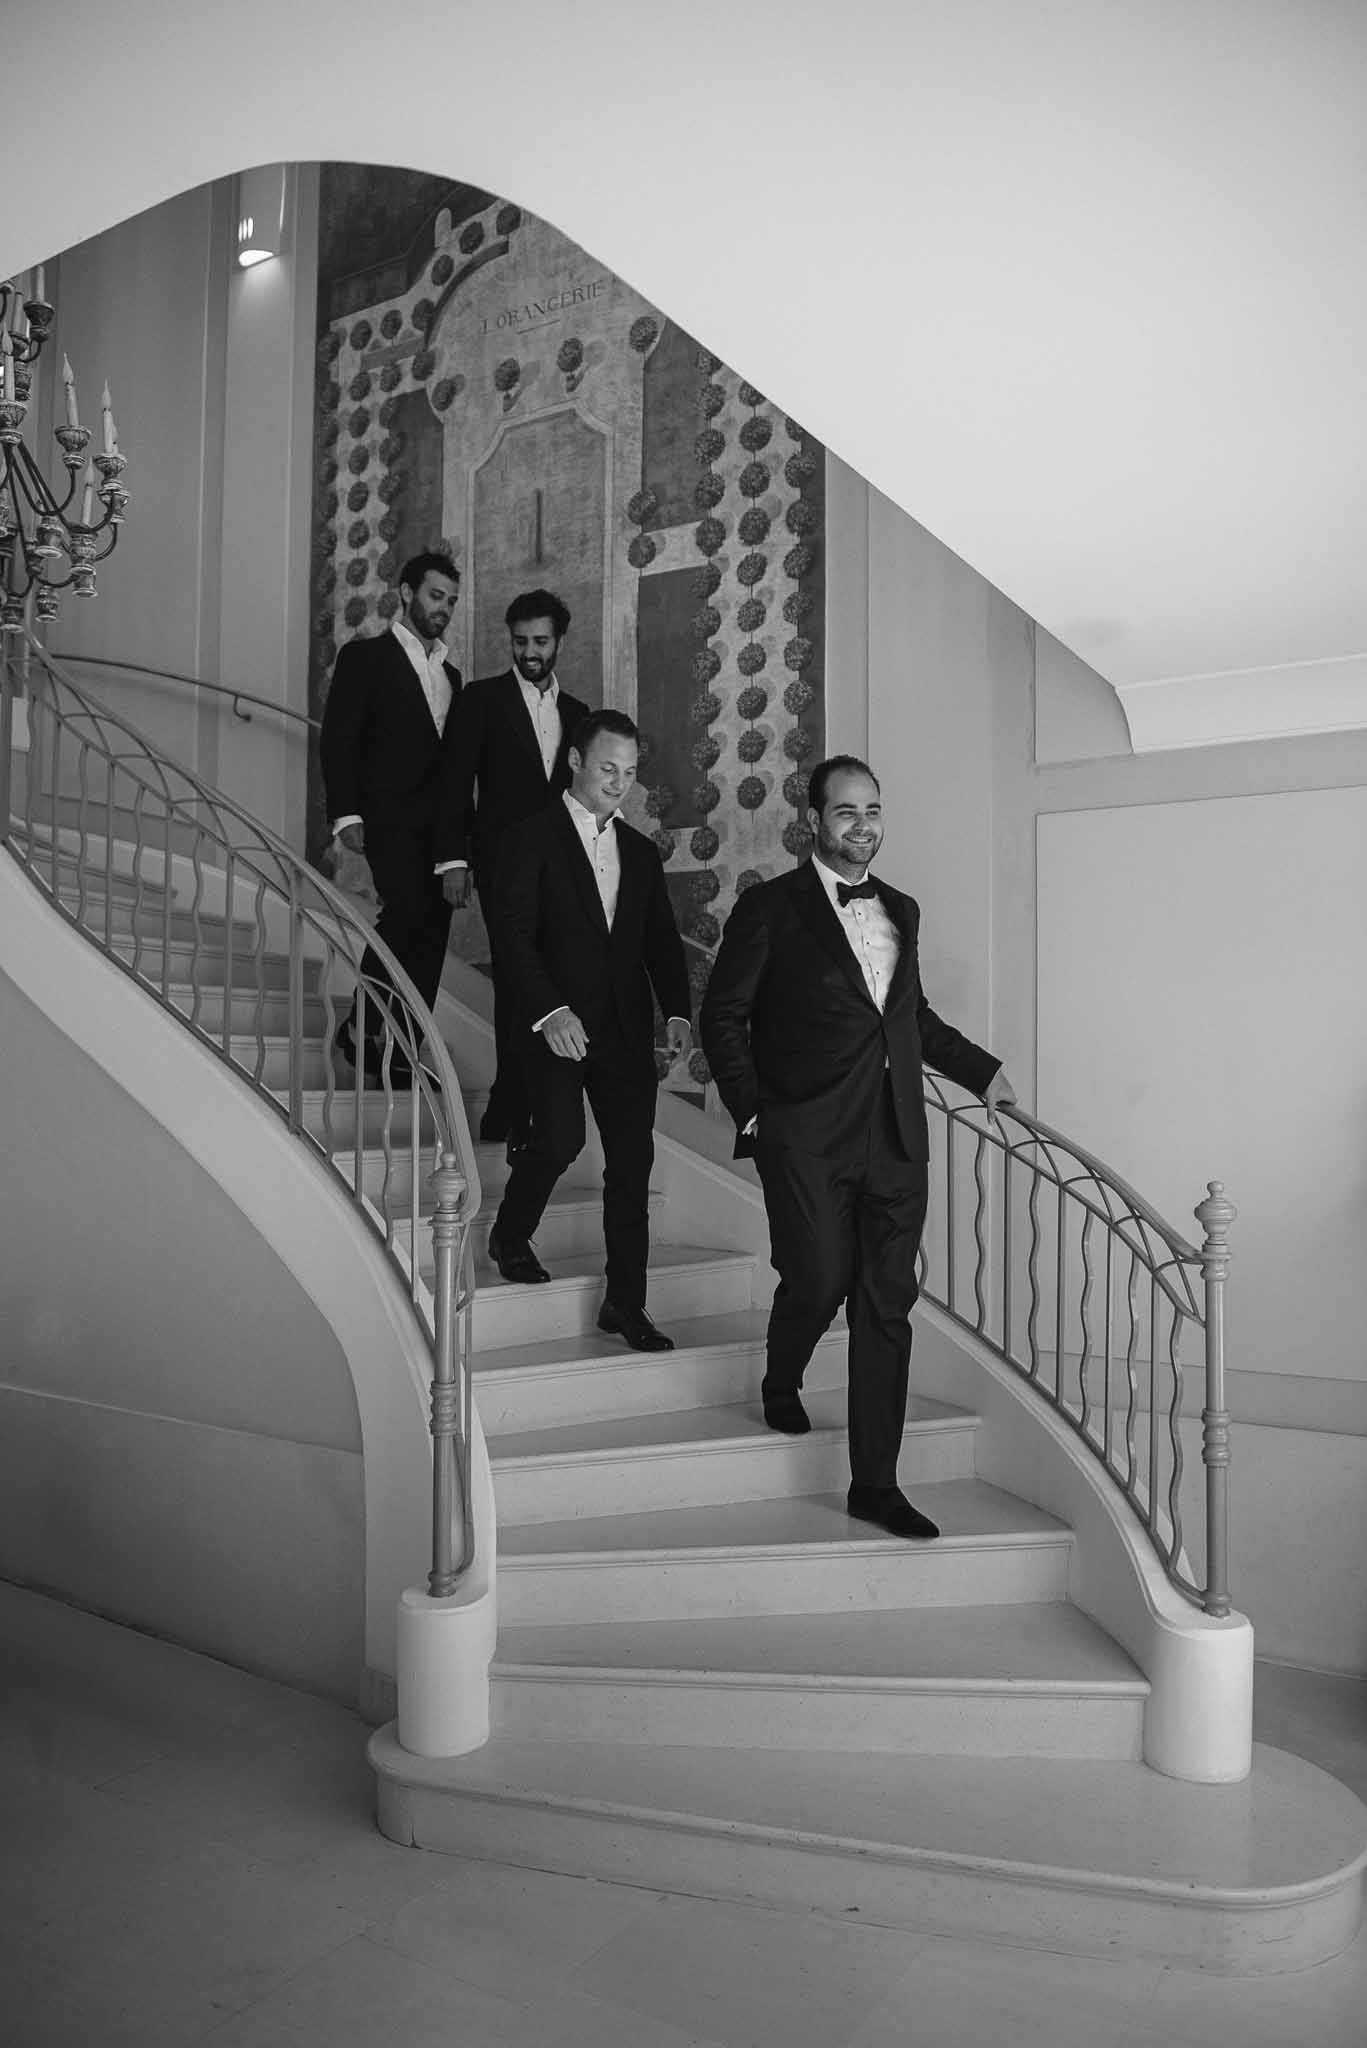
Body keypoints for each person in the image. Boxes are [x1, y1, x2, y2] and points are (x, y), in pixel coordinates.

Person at [700, 755, 1016, 1539]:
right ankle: (782, 1374)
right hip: (804, 1135)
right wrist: (755, 1113)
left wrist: (983, 1071)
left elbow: (910, 1019)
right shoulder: (770, 908)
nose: (862, 825)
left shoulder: (900, 908)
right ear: (814, 820)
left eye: (872, 809)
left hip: (896, 1137)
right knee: (815, 1279)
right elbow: (723, 1016)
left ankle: (875, 1485)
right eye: (846, 812)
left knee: (885, 1305)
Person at [487, 708, 692, 1352]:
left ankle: (625, 1303)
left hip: (626, 1031)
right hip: (555, 1026)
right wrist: (551, 1011)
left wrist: (679, 1011)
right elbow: (513, 938)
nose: (619, 782)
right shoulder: (530, 836)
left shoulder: (639, 849)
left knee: (632, 1166)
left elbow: (659, 938)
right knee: (558, 1141)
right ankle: (510, 1233)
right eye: (608, 767)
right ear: (574, 761)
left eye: (629, 772)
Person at [436, 590, 589, 1153]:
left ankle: (521, 1106)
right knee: (517, 982)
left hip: (563, 871)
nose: (530, 651)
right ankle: (512, 1104)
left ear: (558, 643)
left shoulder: (578, 715)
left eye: (540, 642)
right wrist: (455, 860)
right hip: (501, 867)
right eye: (521, 641)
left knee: (552, 980)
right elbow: (454, 785)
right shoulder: (480, 700)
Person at [319, 551, 463, 1079]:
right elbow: (340, 740)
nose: (443, 607)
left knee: (432, 934)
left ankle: (403, 1045)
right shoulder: (366, 658)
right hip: (388, 819)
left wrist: (459, 845)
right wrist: (345, 814)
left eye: (450, 599)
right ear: (406, 593)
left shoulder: (454, 676)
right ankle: (362, 1022)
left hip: (444, 832)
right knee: (403, 916)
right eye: (434, 595)